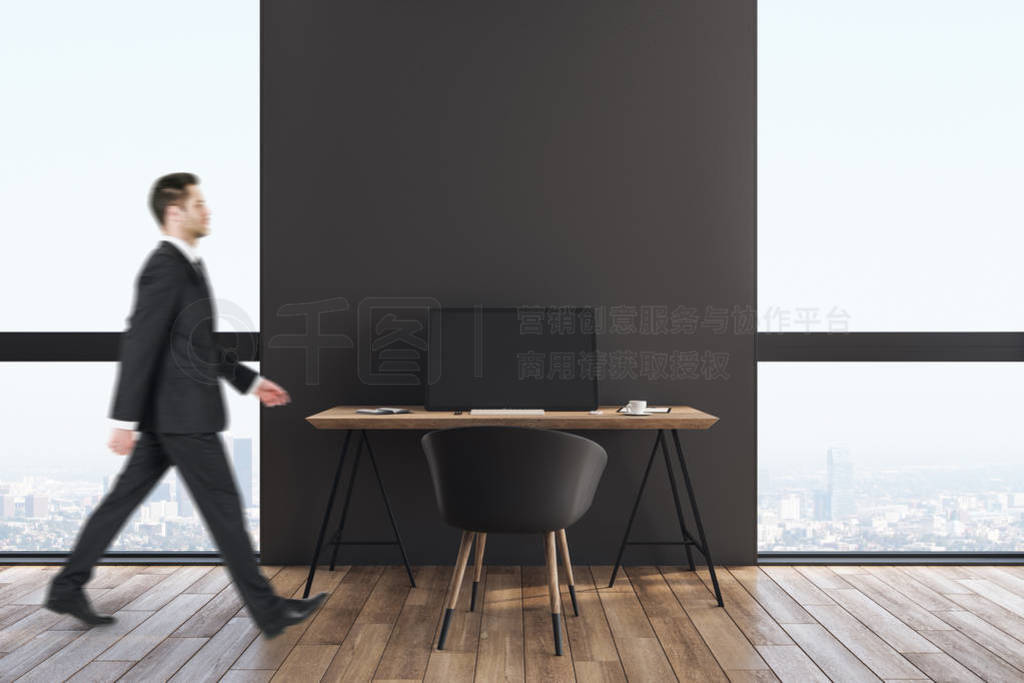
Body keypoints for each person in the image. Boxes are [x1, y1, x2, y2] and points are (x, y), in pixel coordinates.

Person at [45, 172, 325, 638]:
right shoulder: (166, 267)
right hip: (183, 417)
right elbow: (140, 342)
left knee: (122, 501)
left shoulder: (187, 266)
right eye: (199, 203)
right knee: (224, 511)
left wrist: (249, 381)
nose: (207, 210)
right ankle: (268, 611)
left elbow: (196, 344)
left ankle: (66, 587)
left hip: (170, 415)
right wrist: (122, 418)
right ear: (175, 212)